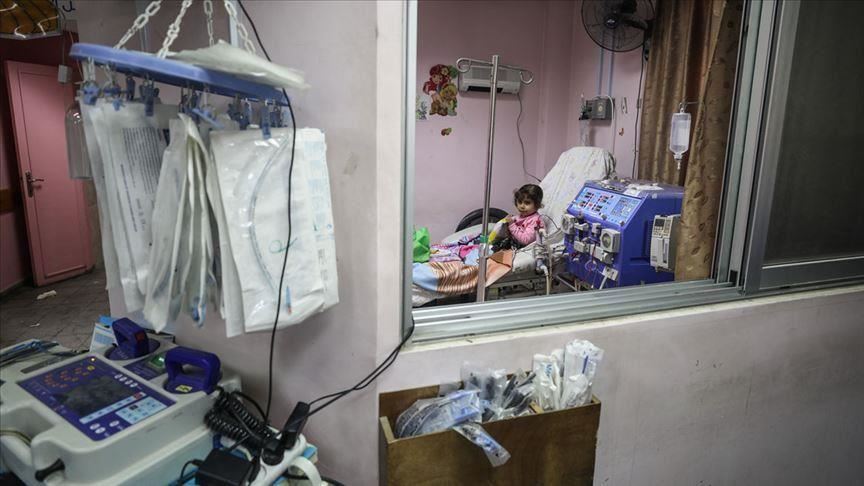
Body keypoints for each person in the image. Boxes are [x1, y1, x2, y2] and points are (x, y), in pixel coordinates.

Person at [495, 184, 545, 250]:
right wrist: (506, 224)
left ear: (537, 204)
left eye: (527, 203)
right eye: (520, 202)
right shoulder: (521, 216)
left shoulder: (536, 221)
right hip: (512, 243)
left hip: (525, 249)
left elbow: (525, 240)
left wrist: (512, 224)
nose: (522, 206)